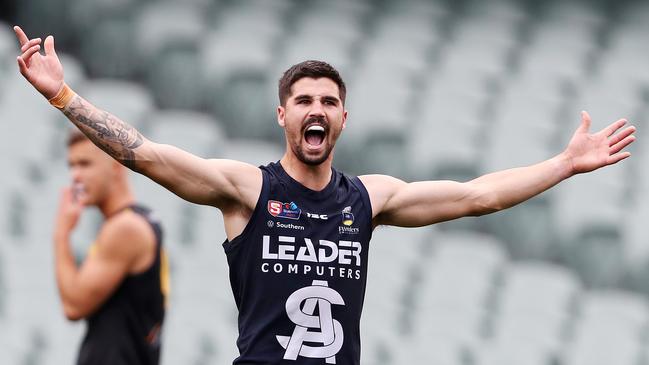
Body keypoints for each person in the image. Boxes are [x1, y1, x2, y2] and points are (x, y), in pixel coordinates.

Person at [14, 26, 635, 365]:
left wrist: (562, 164)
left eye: (329, 102)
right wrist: (63, 97)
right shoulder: (247, 191)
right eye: (305, 101)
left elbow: (478, 196)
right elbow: (141, 153)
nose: (317, 111)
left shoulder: (369, 198)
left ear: (344, 120)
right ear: (282, 115)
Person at [53, 127, 169, 365]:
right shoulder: (140, 219)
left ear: (116, 166)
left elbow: (73, 306)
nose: (75, 176)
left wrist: (61, 234)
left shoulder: (125, 228)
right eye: (72, 166)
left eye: (85, 164)